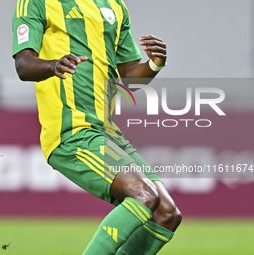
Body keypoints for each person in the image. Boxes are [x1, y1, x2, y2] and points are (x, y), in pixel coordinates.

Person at [12, 0, 181, 254]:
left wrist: (154, 64)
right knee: (144, 195)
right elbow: (23, 65)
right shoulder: (37, 3)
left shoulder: (115, 5)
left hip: (106, 131)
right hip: (71, 132)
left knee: (167, 214)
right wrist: (52, 64)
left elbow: (130, 76)